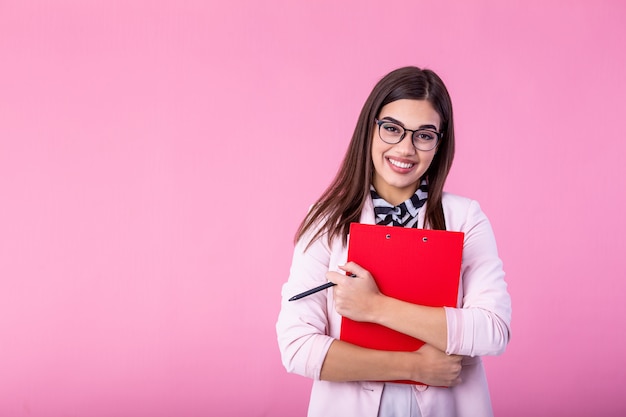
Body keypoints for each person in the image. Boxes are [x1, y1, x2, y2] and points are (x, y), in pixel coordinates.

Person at [276, 66, 511, 417]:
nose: (406, 148)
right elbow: (297, 347)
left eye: (424, 135)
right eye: (392, 129)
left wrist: (375, 307)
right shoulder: (326, 221)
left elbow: (493, 330)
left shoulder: (465, 218)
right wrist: (414, 367)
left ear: (439, 143)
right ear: (369, 128)